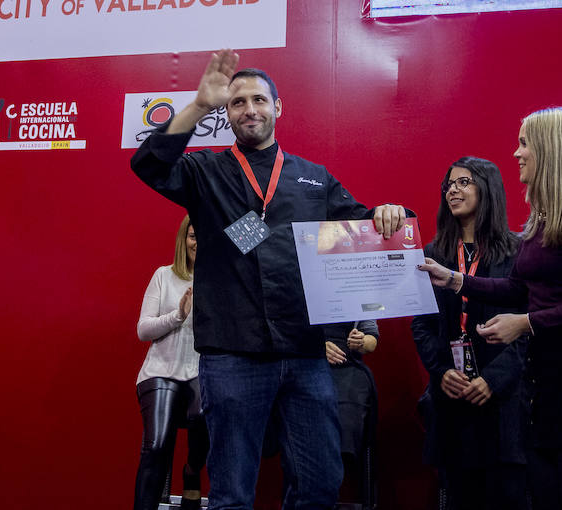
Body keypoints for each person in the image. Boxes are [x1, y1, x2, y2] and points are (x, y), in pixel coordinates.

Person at [129, 49, 406, 510]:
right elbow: (149, 165)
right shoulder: (206, 171)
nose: (249, 110)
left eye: (259, 100)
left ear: (278, 108)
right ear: (227, 112)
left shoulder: (313, 178)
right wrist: (198, 105)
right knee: (233, 492)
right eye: (237, 103)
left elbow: (361, 225)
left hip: (304, 354)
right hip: (233, 354)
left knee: (320, 484)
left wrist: (387, 214)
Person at [419, 107, 562, 510]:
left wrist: (526, 323)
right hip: (549, 379)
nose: (516, 153)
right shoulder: (542, 221)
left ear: (552, 150)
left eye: (524, 143)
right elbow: (521, 287)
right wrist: (456, 280)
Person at [411, 157, 528, 510]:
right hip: (453, 396)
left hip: (504, 399)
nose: (453, 190)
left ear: (487, 189)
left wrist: (494, 379)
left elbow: (528, 324)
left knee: (508, 495)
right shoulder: (433, 254)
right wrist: (441, 370)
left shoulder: (517, 251)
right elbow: (422, 324)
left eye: (463, 182)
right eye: (449, 184)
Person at [134, 214, 208, 510]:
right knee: (157, 447)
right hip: (161, 372)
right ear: (183, 239)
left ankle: (192, 471)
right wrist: (178, 315)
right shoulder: (163, 276)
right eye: (192, 236)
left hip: (200, 371)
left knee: (207, 412)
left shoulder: (218, 281)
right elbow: (143, 330)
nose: (197, 243)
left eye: (202, 236)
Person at [322, 320, 380, 502]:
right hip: (307, 362)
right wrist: (316, 346)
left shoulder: (355, 292)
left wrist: (362, 341)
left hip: (348, 367)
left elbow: (372, 341)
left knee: (345, 426)